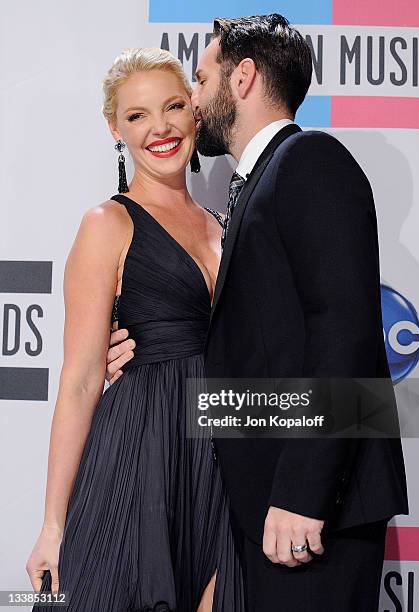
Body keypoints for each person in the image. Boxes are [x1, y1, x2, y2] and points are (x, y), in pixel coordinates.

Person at [107, 14, 409, 611]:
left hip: (310, 510)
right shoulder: (261, 184)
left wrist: (303, 492)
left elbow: (343, 333)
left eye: (201, 78)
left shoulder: (309, 161)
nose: (193, 101)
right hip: (266, 507)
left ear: (242, 78)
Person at [26, 47, 245, 612]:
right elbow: (77, 382)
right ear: (114, 128)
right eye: (138, 116)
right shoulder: (107, 224)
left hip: (223, 456)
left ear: (196, 111)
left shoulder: (226, 225)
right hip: (140, 453)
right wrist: (52, 525)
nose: (161, 128)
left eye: (173, 106)